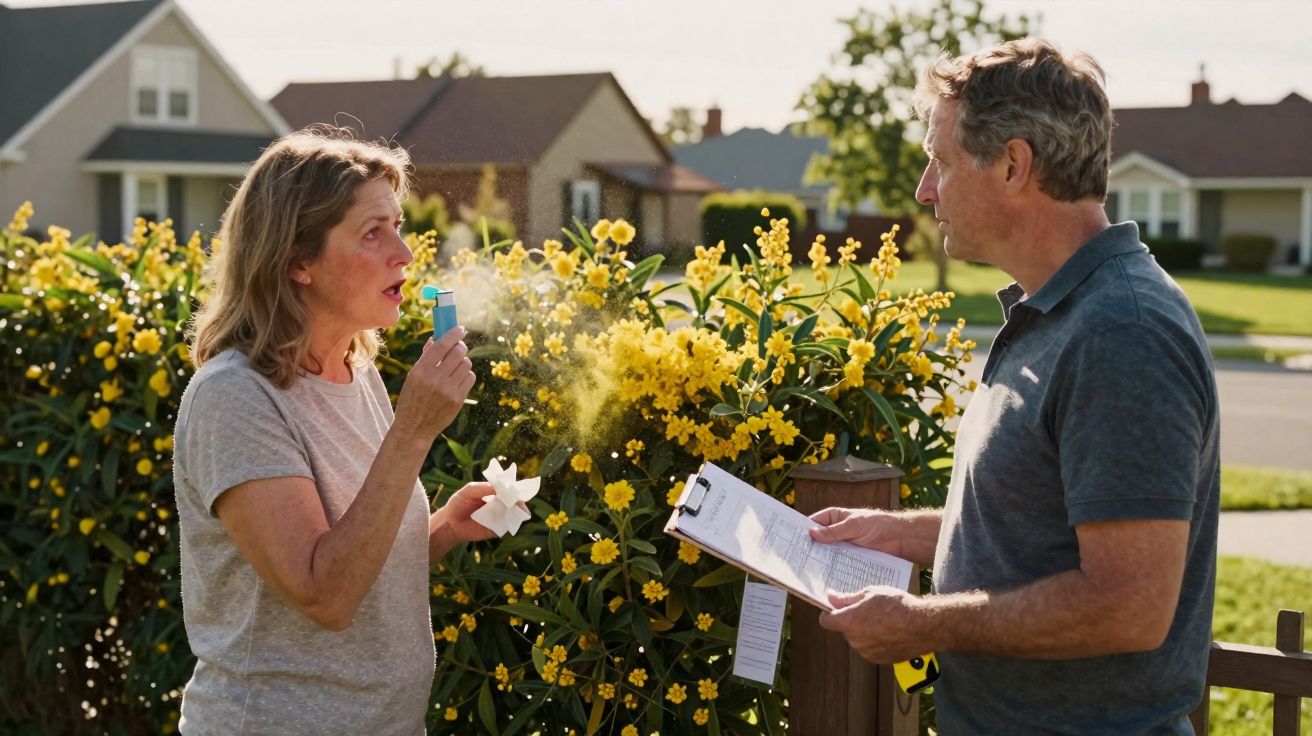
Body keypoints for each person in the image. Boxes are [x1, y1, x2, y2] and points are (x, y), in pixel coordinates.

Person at [809, 39, 1220, 734]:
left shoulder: (1122, 331)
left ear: (1012, 165)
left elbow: (1127, 604)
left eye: (939, 159)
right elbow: (1047, 528)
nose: (924, 189)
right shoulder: (1060, 311)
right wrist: (903, 534)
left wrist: (923, 624)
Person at [174, 128, 495, 735]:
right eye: (373, 232)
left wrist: (442, 531)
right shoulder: (235, 398)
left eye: (397, 226)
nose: (402, 253)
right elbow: (326, 594)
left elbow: (360, 558)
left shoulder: (358, 371)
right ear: (297, 261)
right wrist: (414, 430)